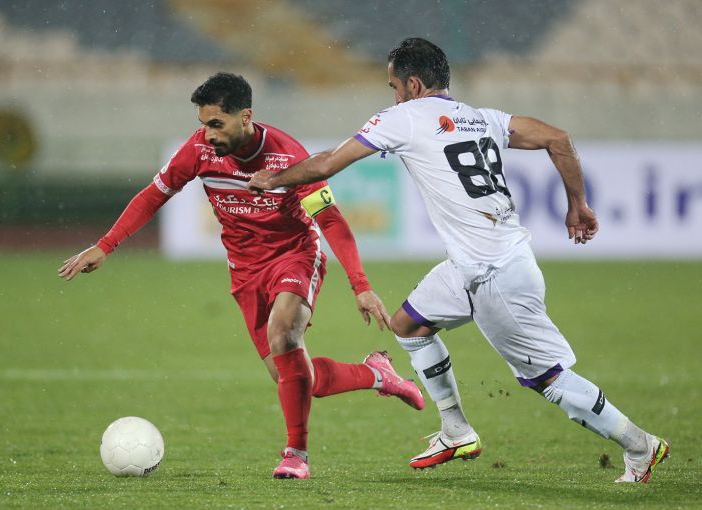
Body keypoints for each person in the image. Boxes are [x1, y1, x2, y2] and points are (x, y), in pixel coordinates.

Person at [247, 38, 669, 483]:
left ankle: (640, 445)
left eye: (394, 87)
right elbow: (557, 139)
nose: (394, 96)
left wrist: (273, 179)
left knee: (549, 379)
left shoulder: (404, 118)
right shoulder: (483, 118)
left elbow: (326, 164)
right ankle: (456, 429)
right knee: (408, 325)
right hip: (473, 265)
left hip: (494, 274)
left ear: (413, 84)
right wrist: (578, 204)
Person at [58, 72, 424, 480]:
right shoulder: (198, 150)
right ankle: (377, 374)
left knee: (284, 333)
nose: (208, 134)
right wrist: (105, 245)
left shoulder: (287, 155)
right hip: (246, 273)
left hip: (295, 255)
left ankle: (296, 454)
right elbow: (153, 195)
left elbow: (331, 219)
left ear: (245, 116)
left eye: (217, 124)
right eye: (203, 125)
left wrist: (361, 286)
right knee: (295, 377)